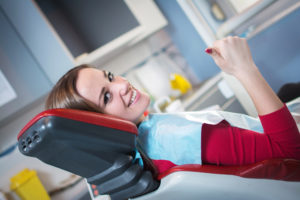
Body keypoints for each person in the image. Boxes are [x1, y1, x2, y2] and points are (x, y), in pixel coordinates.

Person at [46, 36, 300, 177]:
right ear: (96, 128)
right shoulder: (179, 140)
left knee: (288, 91)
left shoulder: (140, 155)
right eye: (106, 97)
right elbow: (291, 154)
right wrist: (245, 68)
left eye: (110, 76)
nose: (121, 86)